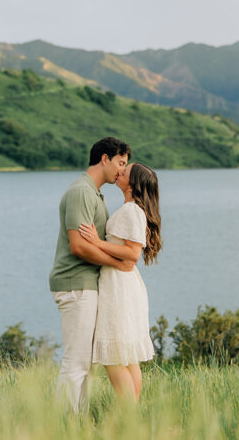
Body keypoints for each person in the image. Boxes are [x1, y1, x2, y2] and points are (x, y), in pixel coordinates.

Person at [48, 136, 133, 413]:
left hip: (86, 286)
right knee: (76, 363)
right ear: (104, 158)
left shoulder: (94, 193)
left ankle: (76, 423)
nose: (122, 170)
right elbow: (78, 246)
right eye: (120, 162)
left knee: (85, 364)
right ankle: (64, 425)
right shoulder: (81, 192)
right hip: (76, 285)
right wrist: (117, 262)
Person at [78, 161, 162, 402]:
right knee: (126, 356)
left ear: (132, 184)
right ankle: (132, 417)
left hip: (119, 288)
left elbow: (132, 253)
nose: (120, 171)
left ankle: (129, 416)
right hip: (123, 284)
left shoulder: (131, 211)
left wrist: (95, 241)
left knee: (114, 357)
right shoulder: (132, 209)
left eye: (125, 171)